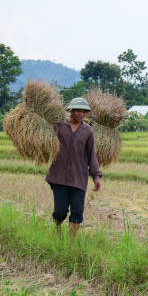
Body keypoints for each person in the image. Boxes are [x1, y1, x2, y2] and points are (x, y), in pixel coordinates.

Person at [45, 97, 102, 237]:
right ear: (71, 110)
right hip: (58, 176)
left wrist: (96, 176)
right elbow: (45, 141)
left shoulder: (88, 130)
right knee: (60, 211)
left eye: (84, 112)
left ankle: (71, 242)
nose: (81, 114)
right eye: (78, 111)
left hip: (79, 178)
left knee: (77, 211)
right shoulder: (58, 125)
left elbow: (91, 154)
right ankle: (57, 231)